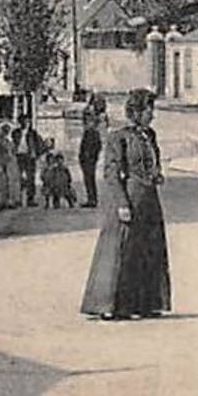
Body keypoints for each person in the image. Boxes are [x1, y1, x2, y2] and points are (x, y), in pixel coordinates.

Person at [80, 89, 171, 320]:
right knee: (123, 251)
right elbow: (111, 173)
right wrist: (122, 203)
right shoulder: (118, 137)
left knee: (148, 250)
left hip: (149, 199)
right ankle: (114, 305)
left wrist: (156, 174)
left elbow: (152, 163)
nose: (152, 114)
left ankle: (145, 303)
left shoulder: (150, 135)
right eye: (149, 109)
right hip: (129, 198)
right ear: (136, 111)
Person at [78, 96, 107, 209]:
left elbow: (89, 123)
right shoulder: (98, 117)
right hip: (92, 143)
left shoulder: (98, 118)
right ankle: (92, 197)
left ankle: (92, 198)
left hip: (91, 143)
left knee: (89, 173)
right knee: (89, 174)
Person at [16, 113, 46, 207]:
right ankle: (18, 198)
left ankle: (30, 199)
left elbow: (39, 145)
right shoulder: (16, 132)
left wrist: (36, 154)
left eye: (26, 121)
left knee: (30, 178)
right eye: (23, 121)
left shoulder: (33, 133)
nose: (25, 123)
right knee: (18, 178)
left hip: (29, 157)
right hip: (19, 156)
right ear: (20, 122)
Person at [0, 120, 17, 211]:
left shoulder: (9, 141)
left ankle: (9, 200)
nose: (6, 131)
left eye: (8, 129)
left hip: (9, 164)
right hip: (1, 163)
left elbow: (12, 152)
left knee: (9, 182)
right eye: (5, 129)